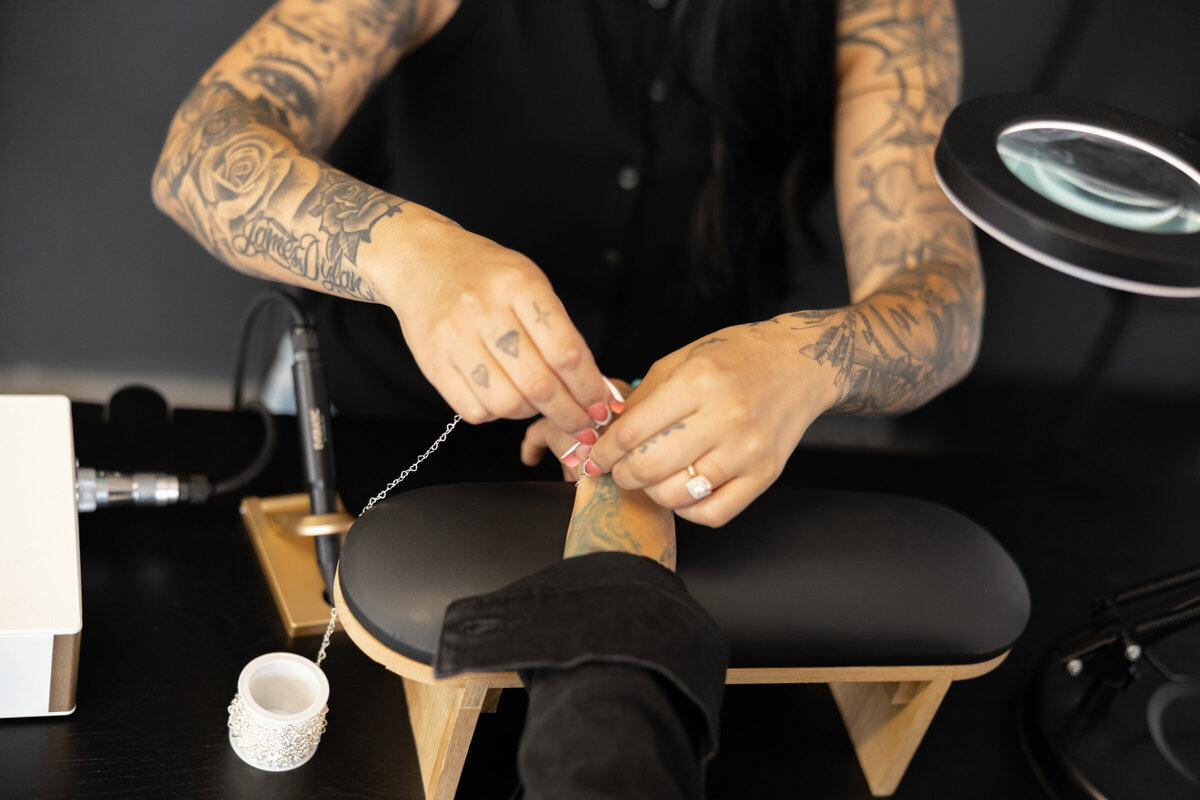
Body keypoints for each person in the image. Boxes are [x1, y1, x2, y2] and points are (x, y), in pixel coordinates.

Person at [152, 0, 982, 526]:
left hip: (681, 467)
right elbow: (199, 153)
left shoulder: (888, 12)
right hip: (375, 419)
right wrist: (412, 258)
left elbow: (945, 303)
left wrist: (804, 366)